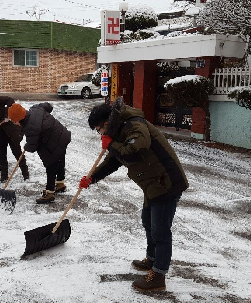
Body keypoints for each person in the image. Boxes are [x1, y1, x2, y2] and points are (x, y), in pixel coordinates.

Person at [79, 97, 188, 292]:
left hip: (166, 182)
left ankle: (158, 275)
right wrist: (92, 178)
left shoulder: (134, 125)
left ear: (105, 123)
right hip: (153, 184)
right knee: (148, 221)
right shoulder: (119, 129)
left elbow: (135, 151)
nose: (99, 134)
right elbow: (115, 160)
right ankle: (152, 259)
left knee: (160, 230)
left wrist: (111, 144)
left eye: (98, 129)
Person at [7, 102, 71, 204]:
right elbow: (48, 106)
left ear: (19, 119)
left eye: (15, 121)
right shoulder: (35, 108)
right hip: (62, 134)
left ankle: (49, 193)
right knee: (60, 159)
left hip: (54, 141)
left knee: (51, 165)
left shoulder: (30, 127)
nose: (15, 124)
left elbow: (32, 147)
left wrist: (26, 146)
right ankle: (60, 184)